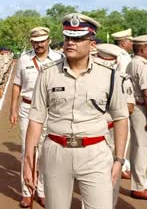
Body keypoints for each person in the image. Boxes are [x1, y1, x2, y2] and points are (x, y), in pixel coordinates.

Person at [23, 13, 129, 209]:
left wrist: (119, 160)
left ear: (92, 44)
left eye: (78, 38)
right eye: (67, 37)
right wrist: (28, 162)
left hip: (95, 152)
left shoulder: (109, 76)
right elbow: (36, 120)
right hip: (56, 150)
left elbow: (121, 117)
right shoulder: (47, 74)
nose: (71, 42)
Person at [9, 26, 63, 208]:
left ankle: (42, 190)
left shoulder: (59, 59)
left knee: (47, 152)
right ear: (31, 41)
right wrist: (13, 110)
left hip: (50, 110)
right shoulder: (24, 59)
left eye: (43, 41)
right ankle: (27, 192)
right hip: (28, 108)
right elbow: (16, 85)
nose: (39, 44)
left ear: (49, 40)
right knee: (28, 151)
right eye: (36, 41)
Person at [95, 43, 135, 207]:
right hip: (93, 131)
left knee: (113, 170)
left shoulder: (121, 79)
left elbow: (130, 107)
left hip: (112, 129)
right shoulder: (88, 78)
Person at [126, 34, 147, 201]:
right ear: (143, 48)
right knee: (142, 148)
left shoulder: (132, 63)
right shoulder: (143, 65)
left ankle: (139, 181)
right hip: (142, 108)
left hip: (135, 107)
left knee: (138, 147)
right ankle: (139, 186)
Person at [111, 28, 133, 179]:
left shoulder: (115, 54)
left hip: (113, 100)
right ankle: (122, 166)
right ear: (124, 42)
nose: (132, 43)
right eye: (130, 40)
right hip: (121, 101)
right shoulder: (124, 58)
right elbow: (124, 82)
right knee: (123, 135)